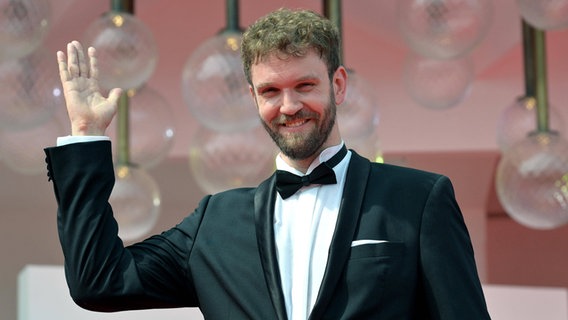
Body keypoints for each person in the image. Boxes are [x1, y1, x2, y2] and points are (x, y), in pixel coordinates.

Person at [45, 8, 491, 320]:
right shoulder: (215, 222)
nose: (289, 105)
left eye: (305, 84)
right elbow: (98, 282)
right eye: (270, 91)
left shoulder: (417, 200)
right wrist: (85, 135)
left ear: (338, 84)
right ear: (254, 98)